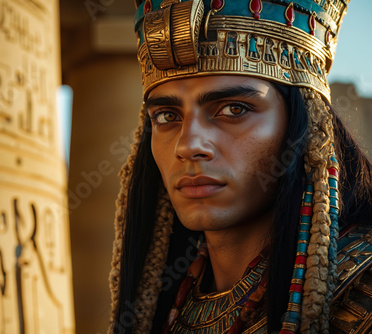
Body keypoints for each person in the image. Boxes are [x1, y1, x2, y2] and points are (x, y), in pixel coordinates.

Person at [108, 0, 372, 333]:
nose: (188, 145)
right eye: (167, 116)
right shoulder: (164, 306)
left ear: (305, 127)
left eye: (234, 109)